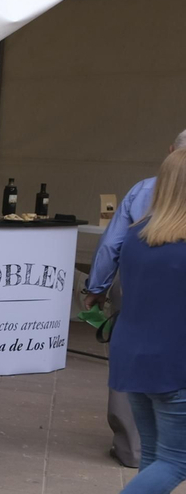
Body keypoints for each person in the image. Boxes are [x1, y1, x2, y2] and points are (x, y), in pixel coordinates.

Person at [68, 148, 186, 494]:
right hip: (175, 362)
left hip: (132, 356)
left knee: (157, 456)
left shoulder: (138, 237)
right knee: (177, 460)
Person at [81, 129, 186, 466]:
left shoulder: (143, 190)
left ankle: (132, 449)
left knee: (132, 361)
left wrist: (96, 287)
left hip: (137, 290)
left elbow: (113, 244)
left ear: (170, 152)